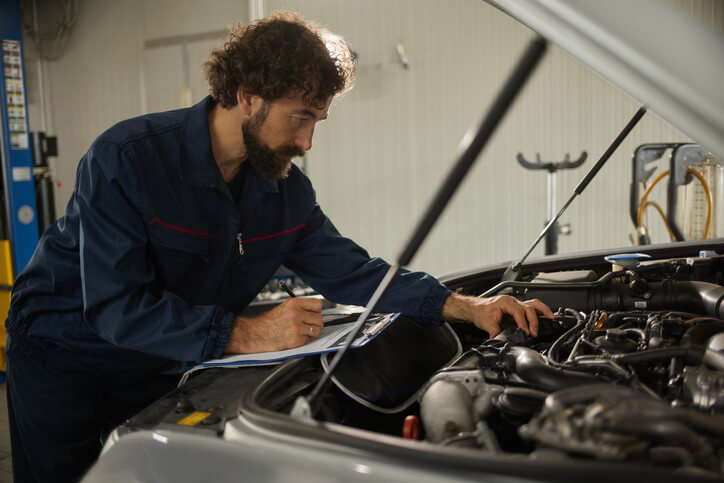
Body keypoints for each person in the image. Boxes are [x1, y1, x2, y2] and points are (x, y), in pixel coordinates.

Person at [4, 11, 553, 483]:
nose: (307, 141)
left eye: (317, 121)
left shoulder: (283, 190)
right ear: (248, 98)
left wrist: (466, 306)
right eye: (300, 118)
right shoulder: (127, 160)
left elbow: (353, 272)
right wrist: (247, 332)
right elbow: (113, 308)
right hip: (64, 355)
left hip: (162, 361)